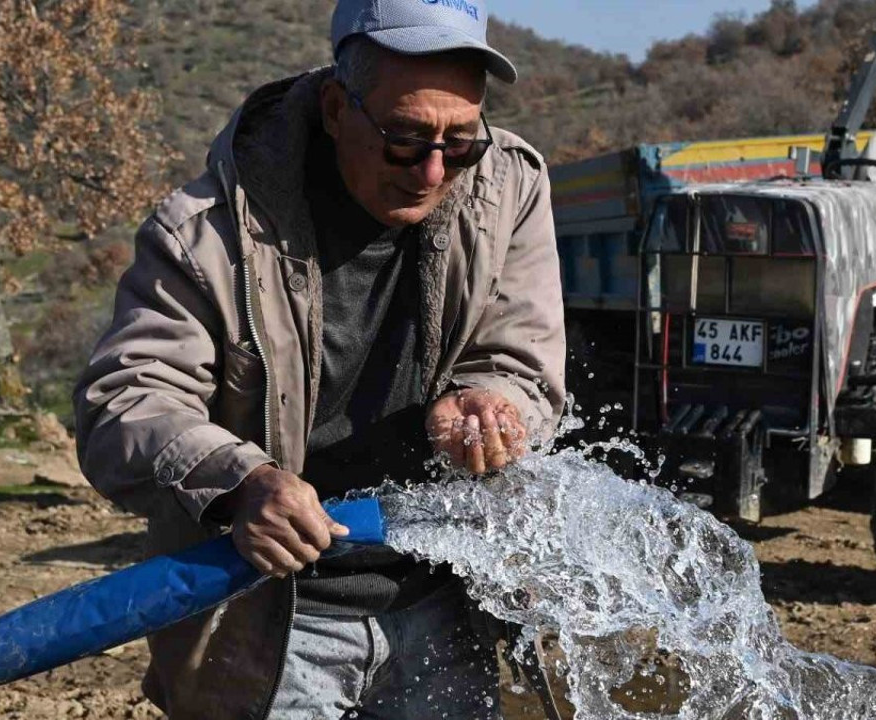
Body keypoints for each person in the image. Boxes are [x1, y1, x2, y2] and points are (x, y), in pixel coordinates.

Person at [72, 0, 565, 716]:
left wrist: (494, 399)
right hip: (271, 616)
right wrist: (243, 483)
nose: (432, 171)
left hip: (443, 601)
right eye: (404, 138)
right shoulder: (204, 235)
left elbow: (522, 356)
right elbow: (128, 401)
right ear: (337, 109)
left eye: (460, 141)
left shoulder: (508, 188)